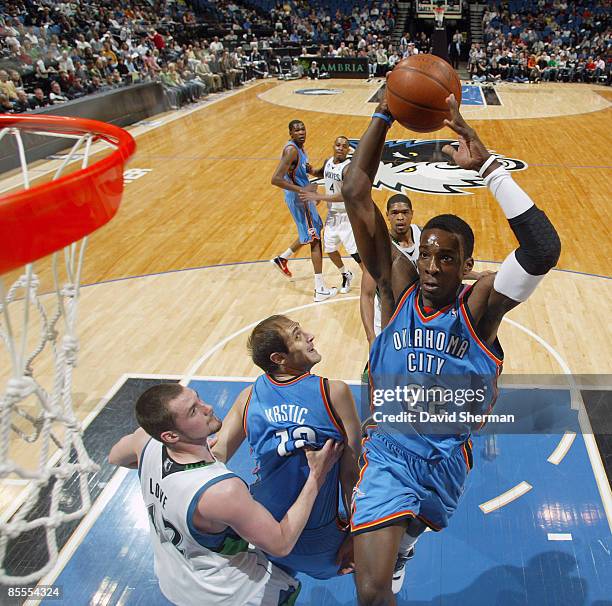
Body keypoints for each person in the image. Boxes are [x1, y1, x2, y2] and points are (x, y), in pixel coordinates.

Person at [342, 92, 560, 605]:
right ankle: (390, 555)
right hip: (390, 454)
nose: (433, 267)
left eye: (447, 259)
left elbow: (543, 250)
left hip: (445, 461)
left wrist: (489, 167)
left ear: (466, 267)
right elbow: (355, 189)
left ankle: (404, 546)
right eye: (426, 255)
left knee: (408, 536)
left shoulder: (479, 307)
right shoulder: (397, 287)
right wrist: (384, 111)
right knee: (372, 592)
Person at [108, 383, 343, 606]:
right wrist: (316, 477)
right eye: (193, 411)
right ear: (171, 436)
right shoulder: (221, 491)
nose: (207, 407)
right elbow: (280, 544)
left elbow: (115, 456)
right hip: (232, 595)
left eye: (198, 398)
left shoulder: (146, 442)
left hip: (177, 581)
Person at [212, 315, 362, 579]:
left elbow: (216, 457)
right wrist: (358, 535)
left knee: (280, 582)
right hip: (322, 545)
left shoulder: (247, 398)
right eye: (297, 335)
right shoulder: (333, 393)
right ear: (279, 358)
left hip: (265, 532)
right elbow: (351, 476)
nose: (310, 335)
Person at [270, 120, 336, 301]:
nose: (301, 132)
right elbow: (275, 179)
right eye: (296, 130)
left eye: (302, 129)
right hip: (300, 198)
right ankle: (319, 288)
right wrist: (303, 190)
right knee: (315, 239)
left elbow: (301, 173)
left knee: (313, 229)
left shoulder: (300, 149)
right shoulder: (291, 150)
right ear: (290, 133)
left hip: (303, 196)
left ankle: (283, 258)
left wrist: (316, 171)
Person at [300, 136, 360, 294]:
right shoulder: (328, 162)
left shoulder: (348, 169)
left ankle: (373, 284)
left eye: (344, 146)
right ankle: (345, 274)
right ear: (333, 146)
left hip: (347, 215)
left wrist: (319, 197)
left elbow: (345, 195)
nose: (341, 148)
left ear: (348, 150)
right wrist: (311, 170)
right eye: (338, 145)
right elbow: (323, 173)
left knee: (356, 254)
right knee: (330, 249)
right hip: (333, 215)